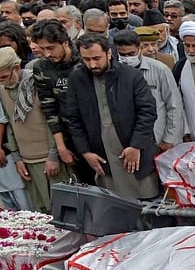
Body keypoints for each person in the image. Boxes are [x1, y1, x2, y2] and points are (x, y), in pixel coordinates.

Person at [63, 34, 159, 200]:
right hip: (101, 156)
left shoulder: (130, 76)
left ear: (108, 53)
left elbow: (148, 111)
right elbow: (73, 119)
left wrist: (136, 145)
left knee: (146, 204)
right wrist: (85, 152)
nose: (92, 64)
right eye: (86, 59)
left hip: (135, 152)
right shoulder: (77, 79)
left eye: (96, 58)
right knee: (114, 204)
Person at [0, 48, 66, 213]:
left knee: (63, 207)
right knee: (41, 210)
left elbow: (52, 120)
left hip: (50, 157)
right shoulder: (2, 90)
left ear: (16, 68)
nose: (2, 82)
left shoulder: (37, 83)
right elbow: (10, 126)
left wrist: (53, 154)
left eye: (3, 77)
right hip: (26, 160)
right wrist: (16, 158)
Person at [113, 30, 184, 152]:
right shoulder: (113, 73)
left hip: (158, 138)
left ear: (139, 49)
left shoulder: (160, 70)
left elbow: (174, 106)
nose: (127, 58)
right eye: (122, 55)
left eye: (131, 54)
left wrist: (169, 139)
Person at [31, 20, 81, 178]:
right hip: (70, 135)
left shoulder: (85, 60)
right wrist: (60, 147)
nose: (47, 54)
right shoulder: (42, 67)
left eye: (51, 48)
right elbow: (49, 108)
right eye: (42, 49)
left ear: (65, 43)